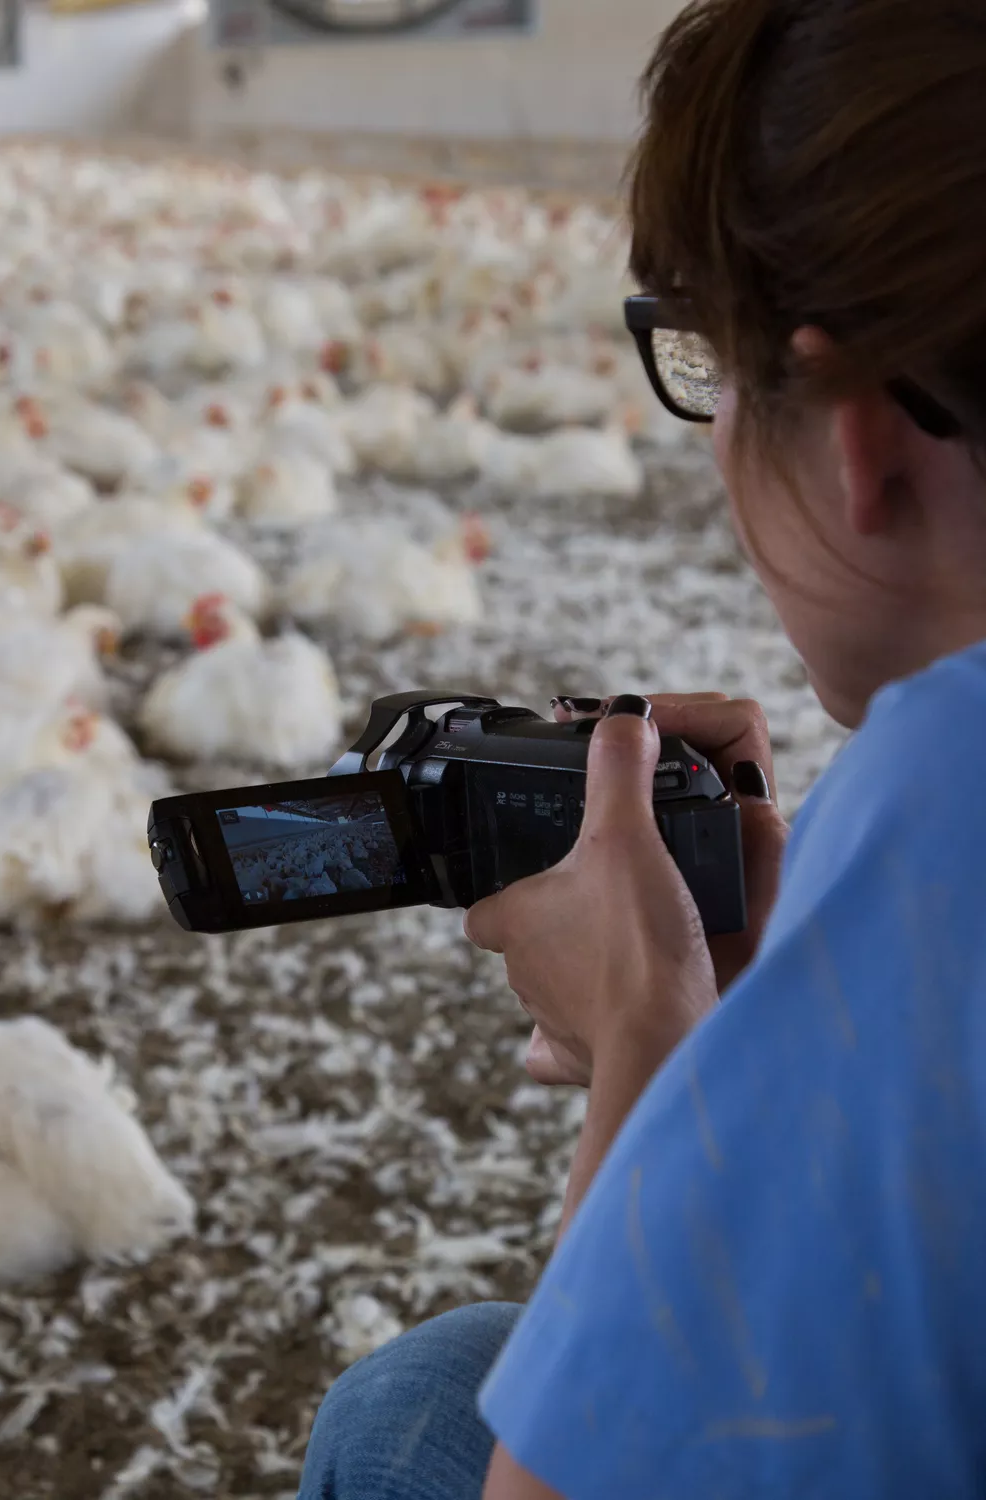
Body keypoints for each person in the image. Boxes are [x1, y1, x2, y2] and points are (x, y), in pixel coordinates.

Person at [297, 0, 986, 1495]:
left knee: (407, 1425)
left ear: (858, 436)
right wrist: (797, 1020)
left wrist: (649, 1037)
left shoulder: (951, 791)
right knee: (439, 1379)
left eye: (713, 372)